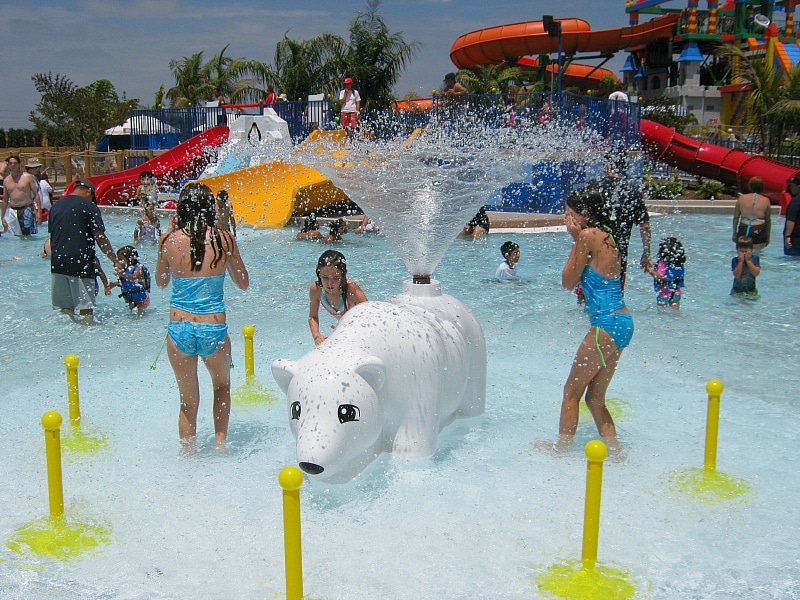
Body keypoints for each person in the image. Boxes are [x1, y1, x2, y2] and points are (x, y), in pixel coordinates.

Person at [155, 182, 249, 449]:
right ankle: (220, 447)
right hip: (213, 329)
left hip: (179, 329)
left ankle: (187, 455)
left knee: (187, 401)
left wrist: (168, 240)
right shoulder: (223, 239)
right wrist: (227, 258)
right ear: (211, 208)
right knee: (221, 387)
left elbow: (161, 282)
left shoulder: (168, 241)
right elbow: (243, 282)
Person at [550, 189, 632, 454]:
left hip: (605, 325)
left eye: (568, 213)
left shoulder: (585, 237)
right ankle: (618, 454)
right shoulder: (608, 235)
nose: (566, 218)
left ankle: (560, 452)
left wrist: (575, 239)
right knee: (595, 399)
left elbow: (567, 282)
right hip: (623, 322)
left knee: (570, 393)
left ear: (583, 215)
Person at [48, 179, 122, 324]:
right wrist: (114, 260)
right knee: (86, 311)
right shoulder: (89, 206)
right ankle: (86, 343)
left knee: (65, 311)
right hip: (80, 263)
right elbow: (100, 237)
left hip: (57, 262)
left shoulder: (56, 206)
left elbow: (53, 237)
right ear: (89, 191)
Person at [308, 250, 367, 345]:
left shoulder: (351, 290)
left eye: (335, 278)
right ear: (319, 274)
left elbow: (371, 317)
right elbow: (312, 317)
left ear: (343, 275)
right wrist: (316, 336)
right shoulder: (316, 290)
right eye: (325, 277)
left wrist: (347, 330)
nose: (329, 283)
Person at [2, 155, 41, 236]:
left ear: (19, 164)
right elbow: (5, 200)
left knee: (27, 236)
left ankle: (28, 249)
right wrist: (2, 217)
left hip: (26, 208)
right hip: (13, 210)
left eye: (15, 163)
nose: (13, 165)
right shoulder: (6, 180)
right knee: (15, 236)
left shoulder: (28, 177)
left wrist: (39, 212)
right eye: (11, 163)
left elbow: (36, 195)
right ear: (8, 165)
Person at [645, 237, 686, 309]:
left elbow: (660, 277)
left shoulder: (662, 263)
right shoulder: (678, 264)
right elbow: (668, 272)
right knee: (676, 314)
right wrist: (654, 266)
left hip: (664, 295)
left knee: (662, 315)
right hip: (676, 293)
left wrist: (648, 269)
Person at [733, 176, 771, 252]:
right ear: (762, 187)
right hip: (759, 229)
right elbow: (768, 220)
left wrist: (734, 233)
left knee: (741, 255)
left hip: (744, 227)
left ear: (750, 186)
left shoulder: (741, 198)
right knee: (757, 255)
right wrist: (768, 236)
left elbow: (736, 217)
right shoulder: (766, 200)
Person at [110, 245, 151, 316]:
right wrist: (114, 284)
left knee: (138, 314)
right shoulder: (126, 270)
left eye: (121, 259)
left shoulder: (138, 267)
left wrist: (122, 274)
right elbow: (127, 283)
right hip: (132, 299)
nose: (119, 262)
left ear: (131, 258)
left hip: (142, 299)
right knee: (133, 315)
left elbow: (134, 277)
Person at [783, 175, 800, 256]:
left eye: (792, 186)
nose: (790, 188)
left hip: (795, 239)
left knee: (792, 261)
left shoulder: (795, 201)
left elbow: (791, 220)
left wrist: (787, 236)